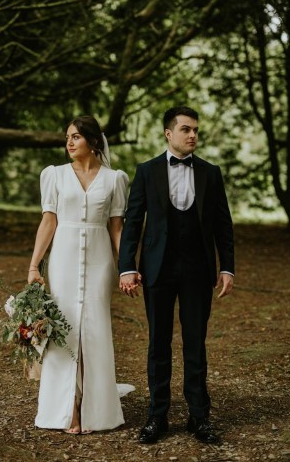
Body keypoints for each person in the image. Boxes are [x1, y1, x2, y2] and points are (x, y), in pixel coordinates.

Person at [118, 105, 234, 445]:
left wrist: (227, 267)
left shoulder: (211, 173)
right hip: (157, 269)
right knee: (158, 344)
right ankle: (158, 416)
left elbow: (223, 224)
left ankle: (199, 417)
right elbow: (133, 222)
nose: (193, 135)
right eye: (186, 129)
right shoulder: (147, 170)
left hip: (198, 270)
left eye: (196, 130)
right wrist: (128, 266)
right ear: (169, 133)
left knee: (195, 344)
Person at [27, 115, 134, 434]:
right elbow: (48, 221)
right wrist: (35, 265)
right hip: (63, 257)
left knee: (95, 328)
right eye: (67, 138)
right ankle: (68, 407)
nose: (69, 143)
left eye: (76, 137)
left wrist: (126, 266)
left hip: (101, 259)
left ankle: (96, 407)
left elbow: (117, 228)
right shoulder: (55, 175)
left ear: (94, 142)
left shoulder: (116, 179)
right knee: (64, 329)